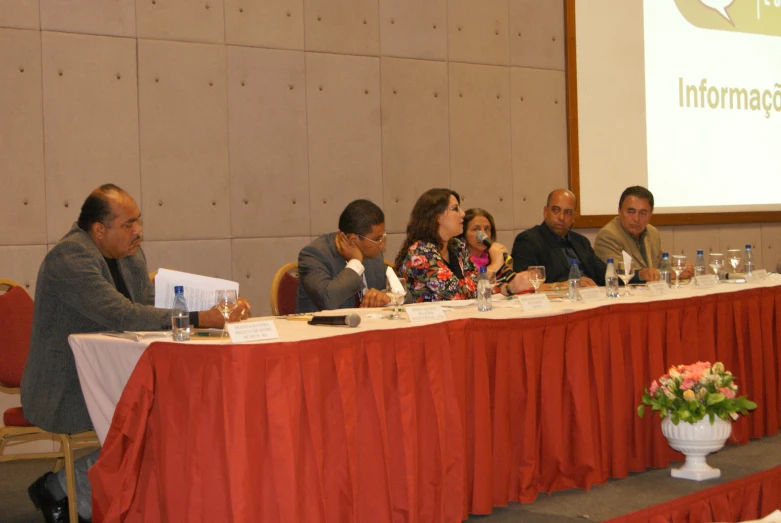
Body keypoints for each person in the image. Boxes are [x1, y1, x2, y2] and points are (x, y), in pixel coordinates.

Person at [21, 184, 250, 523]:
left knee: (178, 408)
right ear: (99, 230)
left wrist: (216, 306)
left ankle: (70, 490)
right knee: (159, 416)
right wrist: (203, 318)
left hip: (113, 372)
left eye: (138, 221)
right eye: (129, 224)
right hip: (66, 389)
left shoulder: (130, 254)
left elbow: (144, 308)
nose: (138, 231)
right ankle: (62, 491)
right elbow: (123, 314)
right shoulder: (70, 258)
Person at [395, 188, 532, 302]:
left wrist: (509, 288)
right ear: (438, 216)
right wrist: (494, 265)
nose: (463, 214)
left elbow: (475, 287)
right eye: (455, 209)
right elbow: (457, 293)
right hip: (432, 326)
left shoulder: (457, 246)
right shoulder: (420, 253)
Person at [297, 199, 390, 313]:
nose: (382, 243)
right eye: (377, 239)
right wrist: (355, 262)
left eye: (383, 236)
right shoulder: (314, 255)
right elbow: (328, 301)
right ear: (353, 239)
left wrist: (386, 297)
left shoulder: (373, 255)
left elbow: (406, 294)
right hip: (324, 328)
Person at [510, 189, 606, 290]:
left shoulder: (581, 241)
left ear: (574, 216)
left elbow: (606, 274)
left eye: (568, 212)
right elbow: (523, 286)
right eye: (556, 210)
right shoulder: (528, 240)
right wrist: (564, 286)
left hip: (591, 297)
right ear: (546, 212)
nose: (561, 217)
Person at [594, 185, 692, 282]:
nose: (636, 219)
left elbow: (662, 265)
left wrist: (681, 268)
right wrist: (670, 273)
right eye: (631, 212)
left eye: (643, 213)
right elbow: (621, 273)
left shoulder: (653, 233)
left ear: (650, 214)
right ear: (619, 211)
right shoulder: (608, 235)